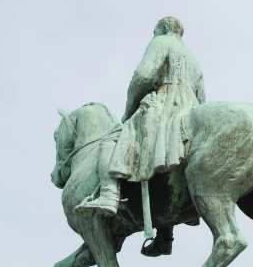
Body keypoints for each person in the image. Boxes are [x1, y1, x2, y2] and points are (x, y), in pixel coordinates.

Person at [75, 16, 206, 220]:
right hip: (191, 109)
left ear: (161, 29)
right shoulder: (193, 59)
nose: (153, 34)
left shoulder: (160, 42)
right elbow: (203, 99)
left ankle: (108, 195)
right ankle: (165, 235)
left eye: (154, 30)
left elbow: (144, 76)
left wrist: (129, 110)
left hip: (166, 102)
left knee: (112, 138)